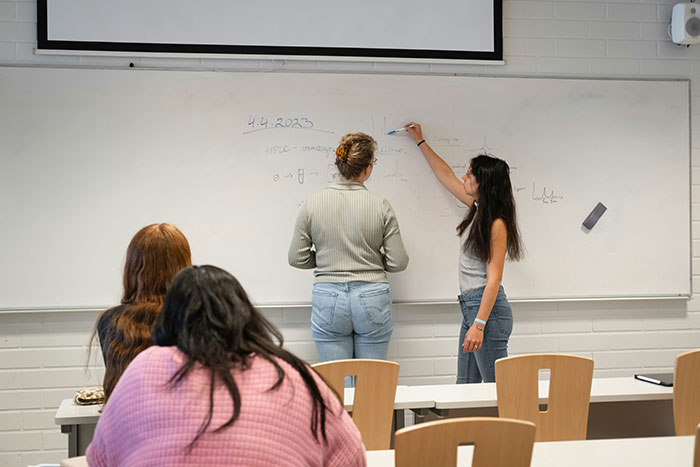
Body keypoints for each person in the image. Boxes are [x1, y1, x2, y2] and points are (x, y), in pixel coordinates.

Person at [86, 265, 365, 467]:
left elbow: (99, 459)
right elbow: (353, 457)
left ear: (169, 320)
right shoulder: (290, 372)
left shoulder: (144, 367)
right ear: (244, 314)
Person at [404, 122, 523, 384]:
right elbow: (445, 175)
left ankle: (511, 427)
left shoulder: (497, 224)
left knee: (497, 390)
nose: (464, 178)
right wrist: (421, 141)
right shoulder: (480, 209)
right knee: (465, 386)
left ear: (484, 183)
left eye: (470, 175)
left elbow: (494, 279)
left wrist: (479, 325)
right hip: (473, 308)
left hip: (486, 313)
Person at [288, 132, 409, 367]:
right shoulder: (381, 205)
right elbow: (398, 262)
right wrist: (371, 260)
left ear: (339, 164)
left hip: (328, 295)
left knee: (338, 384)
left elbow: (296, 257)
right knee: (373, 384)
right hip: (372, 294)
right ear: (367, 168)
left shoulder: (312, 204)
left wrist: (325, 260)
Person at [89, 223, 191, 403]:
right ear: (184, 267)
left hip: (127, 425)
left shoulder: (109, 321)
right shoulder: (195, 317)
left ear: (131, 268)